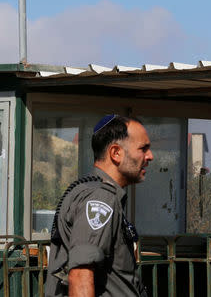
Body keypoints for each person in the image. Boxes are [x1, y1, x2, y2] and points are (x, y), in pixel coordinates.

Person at [45, 115, 153, 297]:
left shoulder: (95, 191)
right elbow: (81, 275)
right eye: (143, 149)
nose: (150, 156)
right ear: (116, 153)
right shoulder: (100, 198)